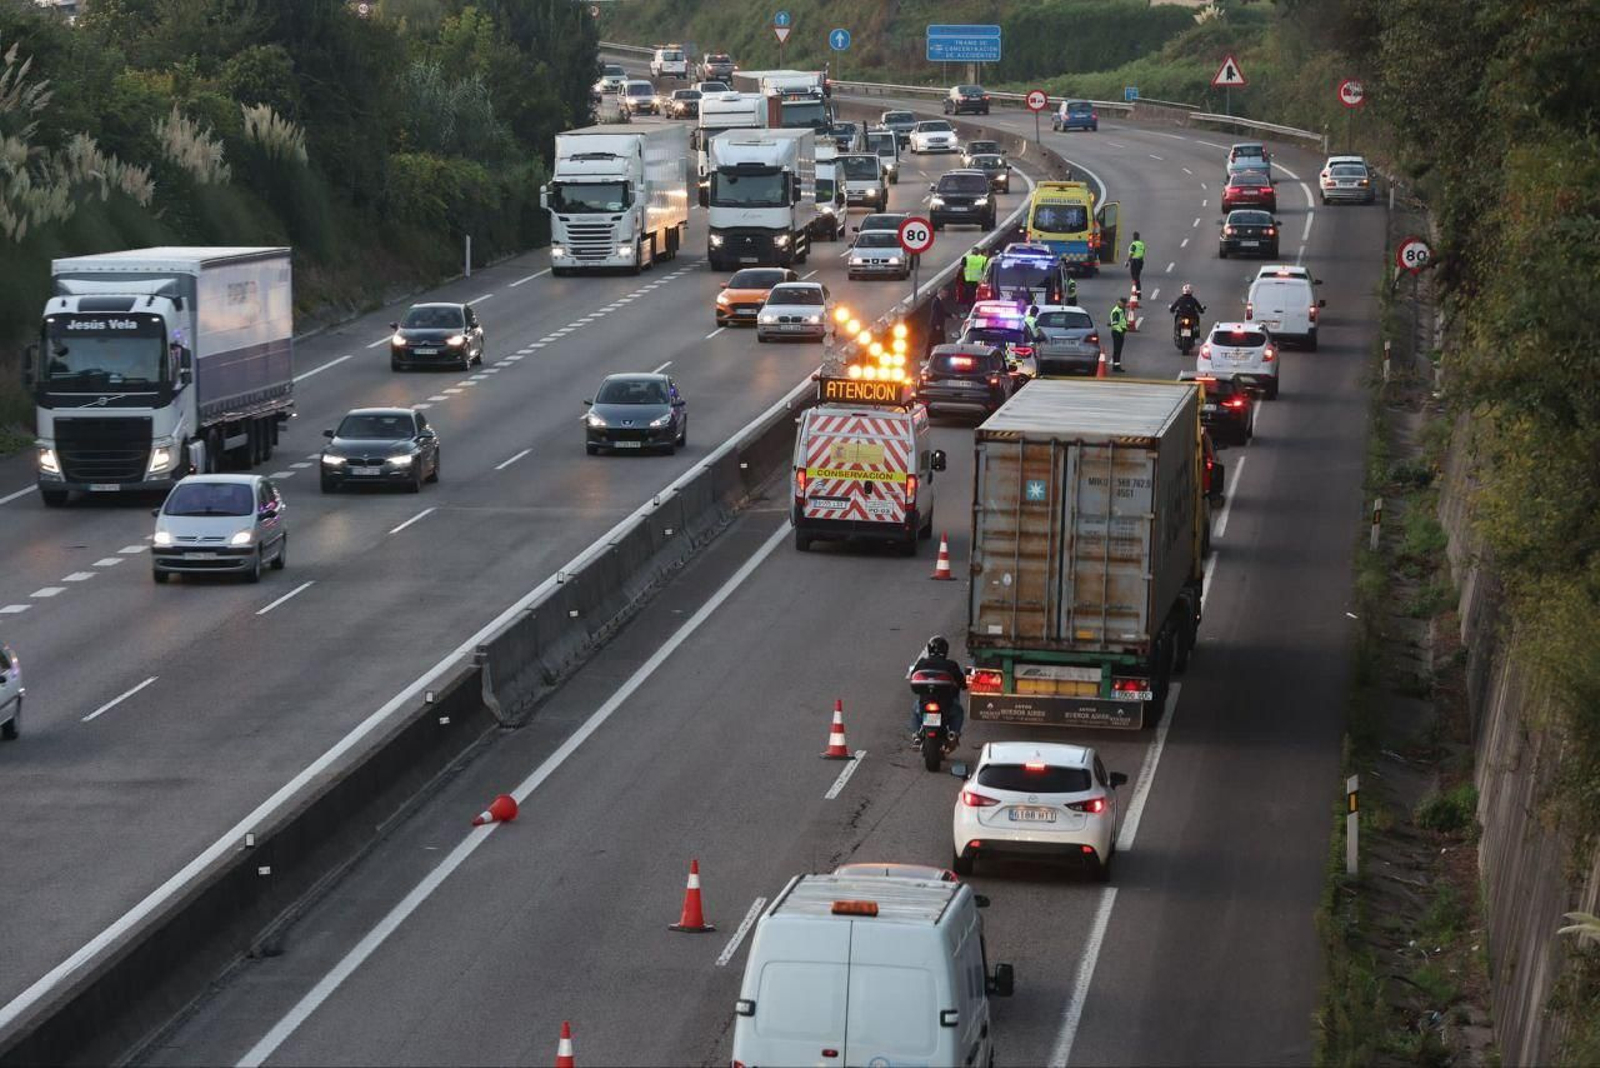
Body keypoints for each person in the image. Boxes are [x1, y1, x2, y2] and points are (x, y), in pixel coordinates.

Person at [909, 635, 966, 740]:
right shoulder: (951, 665)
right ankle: (953, 733)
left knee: (915, 711)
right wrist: (963, 685)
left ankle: (916, 733)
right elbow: (962, 682)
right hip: (946, 705)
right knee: (958, 712)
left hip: (925, 702)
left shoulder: (922, 663)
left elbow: (913, 676)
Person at [1109, 296, 1129, 372]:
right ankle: (1116, 366)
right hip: (1117, 332)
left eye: (1125, 303)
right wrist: (1121, 331)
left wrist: (1126, 326)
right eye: (1123, 303)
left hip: (1120, 332)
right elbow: (1115, 324)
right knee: (1117, 350)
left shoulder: (1121, 310)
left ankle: (1117, 365)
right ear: (1120, 302)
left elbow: (1122, 320)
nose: (1124, 305)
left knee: (1119, 350)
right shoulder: (1116, 311)